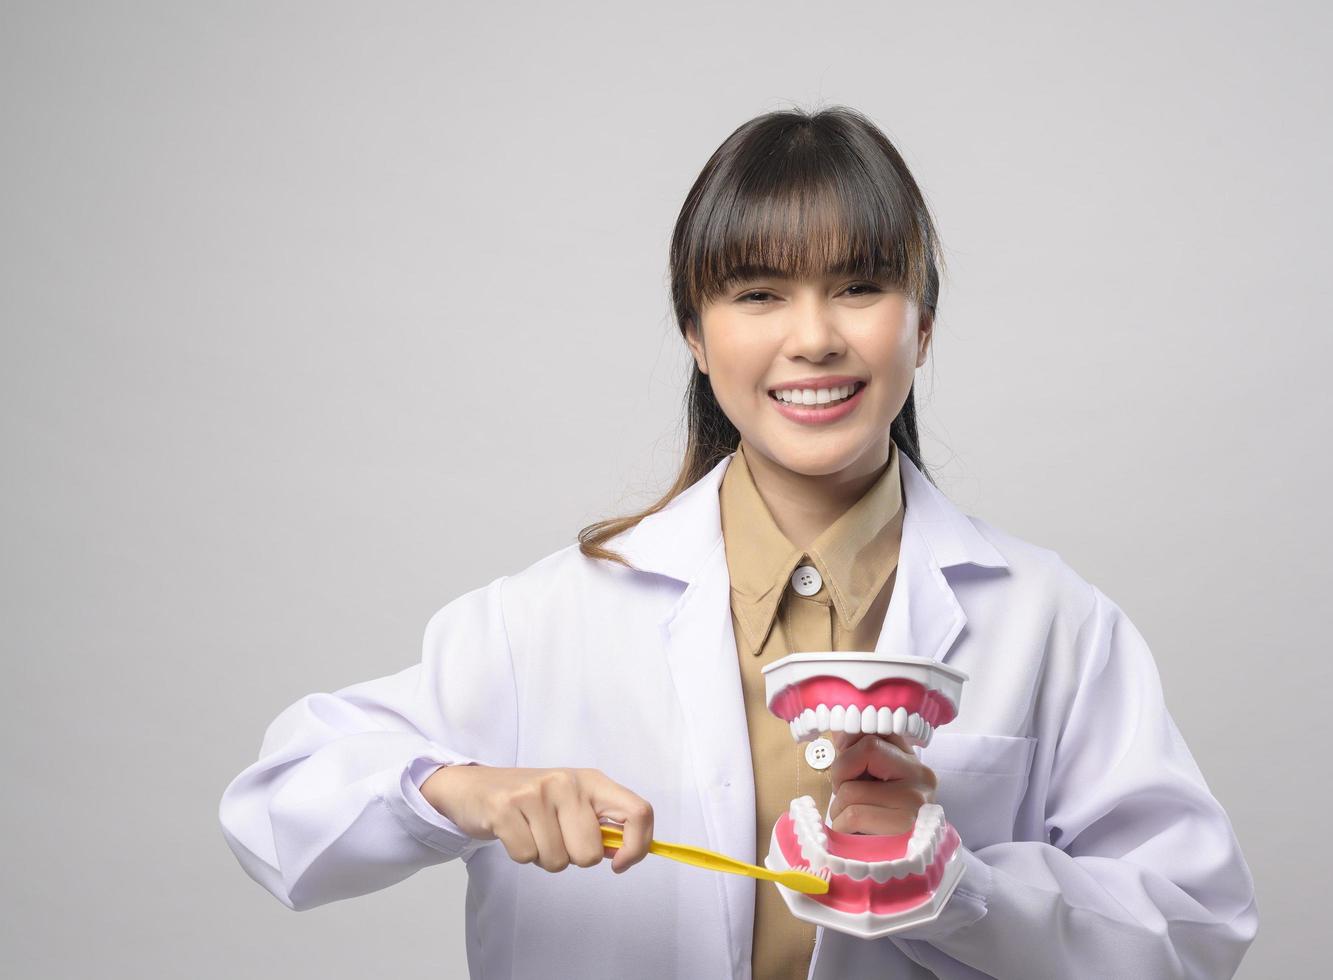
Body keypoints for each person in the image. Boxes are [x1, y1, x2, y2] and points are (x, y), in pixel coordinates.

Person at [219, 105, 1258, 979]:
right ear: (694, 329)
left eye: (859, 285)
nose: (813, 336)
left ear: (923, 323)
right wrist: (463, 790)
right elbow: (276, 812)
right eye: (758, 293)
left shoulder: (1050, 618)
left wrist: (959, 885)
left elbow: (1195, 929)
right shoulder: (548, 617)